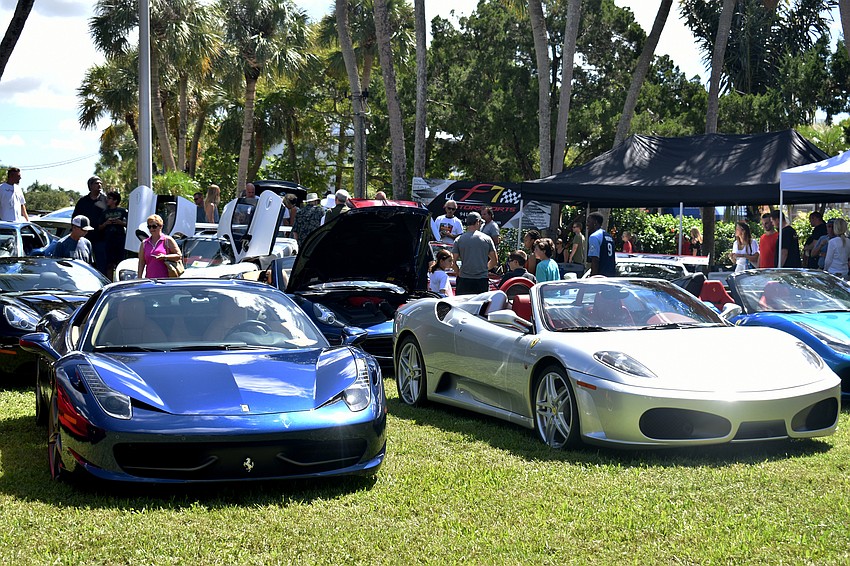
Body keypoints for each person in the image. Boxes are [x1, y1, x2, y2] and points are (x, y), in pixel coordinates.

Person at [452, 212, 497, 295]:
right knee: (481, 306)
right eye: (480, 223)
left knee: (462, 306)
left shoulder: (459, 240)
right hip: (481, 280)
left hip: (464, 280)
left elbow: (452, 261)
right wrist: (485, 269)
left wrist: (458, 272)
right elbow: (494, 260)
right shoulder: (487, 239)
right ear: (477, 222)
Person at [73, 175, 108, 273]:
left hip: (101, 239)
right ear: (90, 186)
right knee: (84, 264)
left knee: (102, 265)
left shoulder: (105, 200)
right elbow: (75, 219)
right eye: (96, 183)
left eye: (100, 183)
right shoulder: (82, 201)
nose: (99, 185)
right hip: (84, 238)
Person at [137, 214, 182, 278]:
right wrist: (139, 277)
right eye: (149, 227)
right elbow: (141, 262)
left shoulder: (167, 240)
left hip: (166, 280)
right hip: (150, 280)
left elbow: (179, 256)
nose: (151, 229)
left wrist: (165, 257)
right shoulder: (145, 243)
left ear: (161, 226)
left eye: (154, 226)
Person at [99, 191, 127, 279]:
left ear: (115, 200)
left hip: (120, 240)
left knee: (121, 263)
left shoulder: (123, 211)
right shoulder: (104, 212)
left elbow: (129, 224)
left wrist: (120, 223)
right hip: (108, 241)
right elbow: (99, 227)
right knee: (109, 264)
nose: (107, 200)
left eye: (109, 198)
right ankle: (109, 282)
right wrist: (106, 223)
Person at [586, 212, 616, 277]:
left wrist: (593, 277)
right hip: (611, 276)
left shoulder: (594, 237)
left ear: (595, 222)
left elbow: (595, 260)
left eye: (588, 221)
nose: (587, 224)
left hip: (600, 277)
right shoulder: (609, 236)